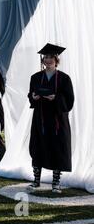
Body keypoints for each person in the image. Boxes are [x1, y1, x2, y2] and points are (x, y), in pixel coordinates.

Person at [27, 43, 74, 194]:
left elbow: (70, 100)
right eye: (45, 57)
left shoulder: (64, 79)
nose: (48, 60)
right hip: (40, 118)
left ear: (56, 59)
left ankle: (56, 183)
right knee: (38, 147)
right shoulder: (35, 77)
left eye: (51, 57)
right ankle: (36, 181)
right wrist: (33, 97)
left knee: (57, 148)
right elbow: (31, 95)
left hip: (57, 121)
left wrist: (55, 98)